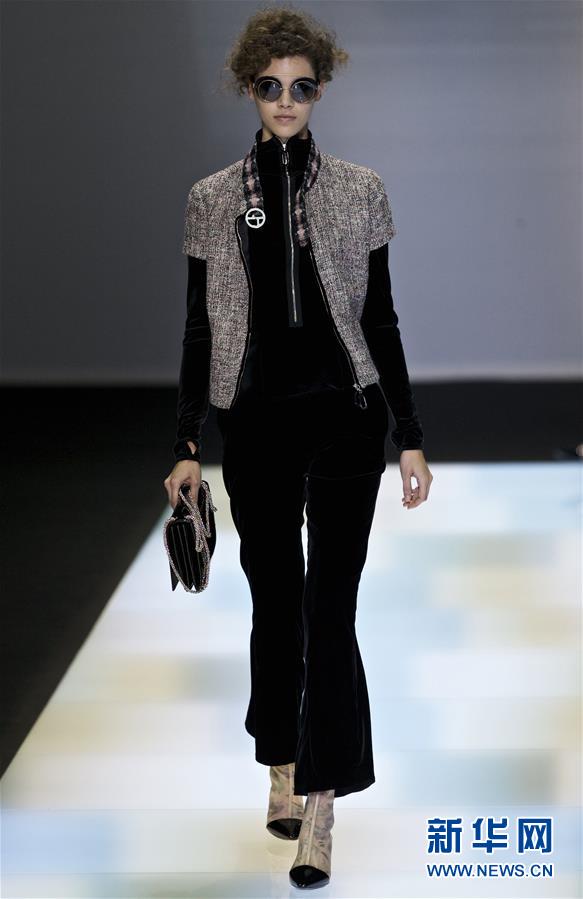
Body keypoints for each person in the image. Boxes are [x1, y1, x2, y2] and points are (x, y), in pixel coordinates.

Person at [163, 5, 433, 890]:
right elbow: (199, 329)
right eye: (270, 85)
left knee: (330, 608)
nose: (285, 99)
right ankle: (279, 757)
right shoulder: (211, 198)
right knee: (275, 601)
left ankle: (320, 801)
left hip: (346, 420)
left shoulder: (360, 189)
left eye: (302, 86)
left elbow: (381, 318)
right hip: (256, 425)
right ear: (249, 88)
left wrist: (408, 434)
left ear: (321, 89)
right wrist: (186, 440)